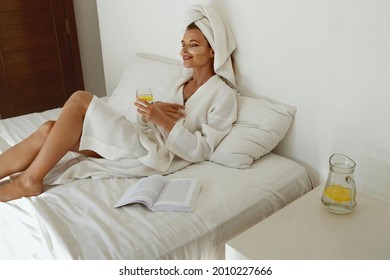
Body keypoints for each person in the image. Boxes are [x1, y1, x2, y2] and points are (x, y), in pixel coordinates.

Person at [0, 4, 237, 202]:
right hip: (140, 138)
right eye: (183, 44)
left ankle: (31, 180)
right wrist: (149, 115)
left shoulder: (222, 95)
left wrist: (162, 120)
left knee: (81, 99)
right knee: (48, 129)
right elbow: (152, 124)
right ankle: (22, 177)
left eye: (193, 45)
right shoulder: (181, 83)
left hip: (152, 154)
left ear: (213, 51)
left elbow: (202, 150)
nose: (184, 50)